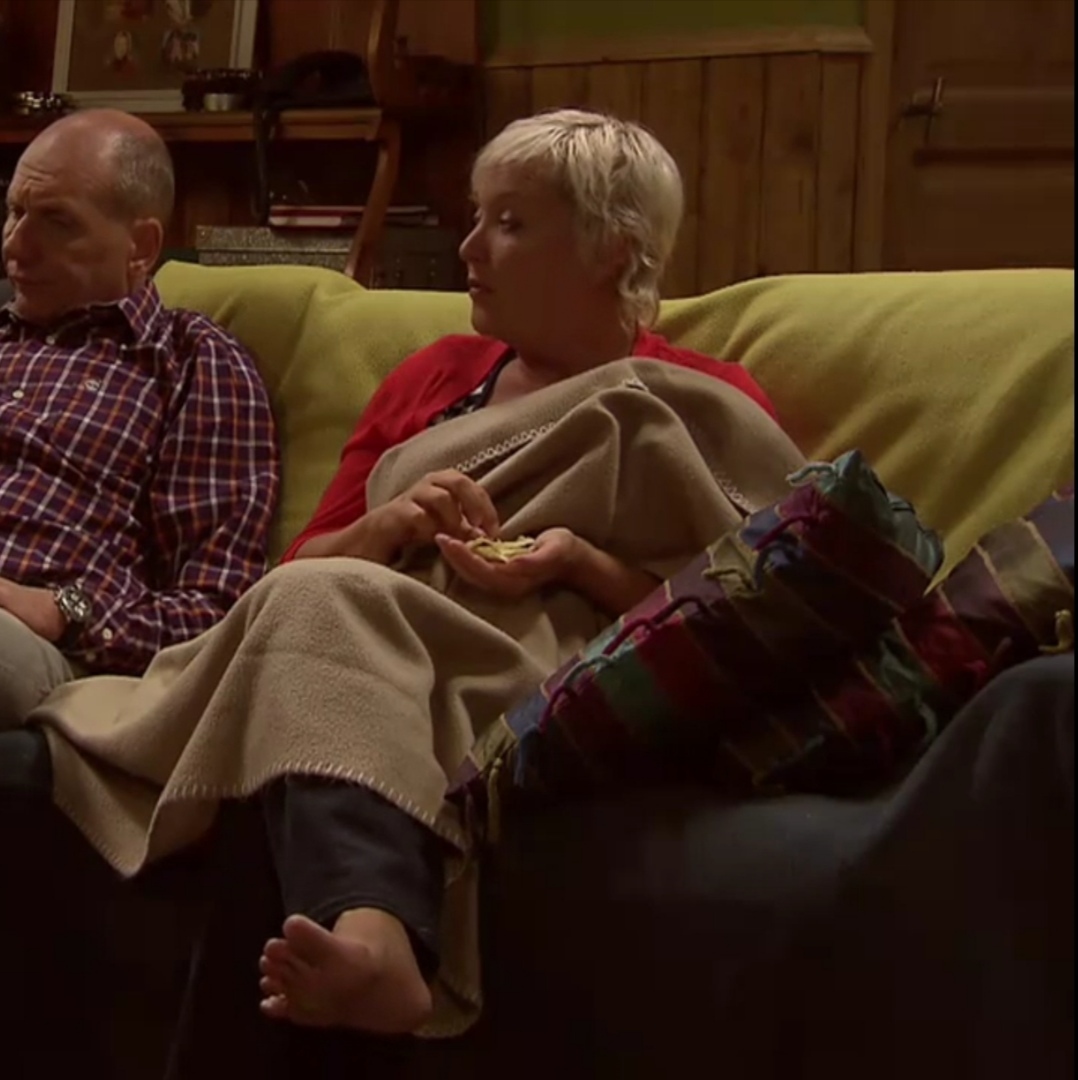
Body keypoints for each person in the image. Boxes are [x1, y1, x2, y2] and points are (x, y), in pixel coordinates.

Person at [9, 109, 805, 1045]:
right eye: (475, 216)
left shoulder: (696, 399)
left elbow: (756, 617)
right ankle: (368, 933)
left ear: (612, 252)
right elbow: (293, 575)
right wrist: (389, 525)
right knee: (305, 620)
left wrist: (576, 559)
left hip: (521, 658)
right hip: (363, 639)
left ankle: (374, 929)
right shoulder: (436, 379)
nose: (469, 247)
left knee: (312, 633)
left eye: (510, 224)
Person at [0, 108, 280, 727]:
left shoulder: (191, 362)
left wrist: (64, 611)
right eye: (14, 211)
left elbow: (216, 612)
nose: (14, 246)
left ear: (142, 246)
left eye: (57, 223)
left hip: (41, 646)